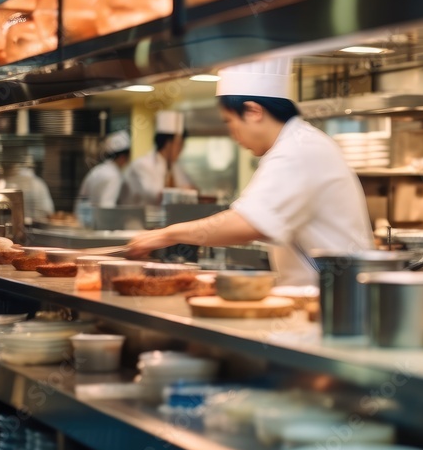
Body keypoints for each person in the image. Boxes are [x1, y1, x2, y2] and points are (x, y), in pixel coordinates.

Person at [127, 58, 374, 285]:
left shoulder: (297, 150)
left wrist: (167, 234)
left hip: (334, 303)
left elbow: (247, 224)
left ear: (254, 111)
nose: (233, 136)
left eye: (230, 123)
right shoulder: (295, 143)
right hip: (320, 297)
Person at [118, 110, 195, 206]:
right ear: (168, 144)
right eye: (179, 144)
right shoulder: (142, 165)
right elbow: (156, 195)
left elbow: (192, 188)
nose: (181, 149)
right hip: (135, 219)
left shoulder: (175, 166)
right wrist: (184, 192)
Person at [79, 130, 131, 208]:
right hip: (100, 219)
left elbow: (81, 200)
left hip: (85, 217)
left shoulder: (97, 170)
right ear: (122, 157)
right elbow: (107, 207)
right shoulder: (114, 176)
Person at [1, 155, 55, 222]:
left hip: (16, 224)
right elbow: (48, 210)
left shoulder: (8, 182)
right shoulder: (39, 183)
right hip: (35, 225)